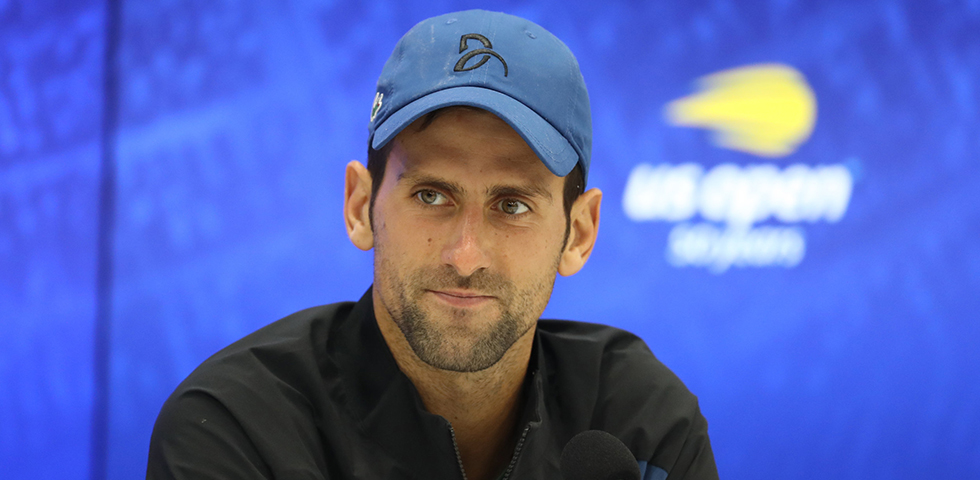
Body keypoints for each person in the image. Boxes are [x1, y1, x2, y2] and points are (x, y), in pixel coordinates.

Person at [147, 9, 718, 480]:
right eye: (431, 195)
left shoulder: (638, 422)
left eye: (512, 205)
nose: (465, 256)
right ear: (360, 207)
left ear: (580, 233)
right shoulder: (241, 428)